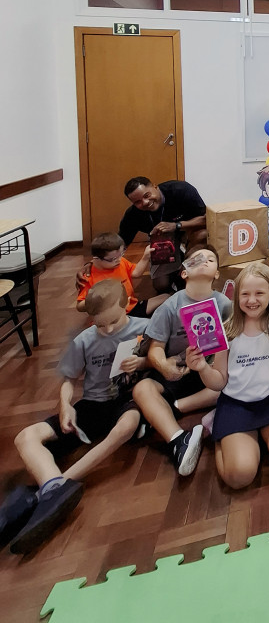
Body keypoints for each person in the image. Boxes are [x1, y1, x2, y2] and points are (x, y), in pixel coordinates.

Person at [0, 281, 149, 554]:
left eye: (113, 322)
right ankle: (53, 489)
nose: (108, 330)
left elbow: (160, 357)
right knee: (25, 437)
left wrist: (141, 362)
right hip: (92, 405)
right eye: (100, 324)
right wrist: (65, 405)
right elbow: (69, 379)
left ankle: (47, 492)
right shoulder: (84, 340)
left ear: (127, 303)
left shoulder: (145, 328)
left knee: (127, 425)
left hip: (126, 401)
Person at [185, 263, 269, 488]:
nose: (252, 300)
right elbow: (219, 382)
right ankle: (218, 430)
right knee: (239, 477)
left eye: (259, 293)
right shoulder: (226, 331)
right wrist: (202, 368)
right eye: (245, 294)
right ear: (236, 296)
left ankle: (258, 439)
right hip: (236, 404)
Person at [132, 246, 232, 476]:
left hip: (210, 372)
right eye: (196, 259)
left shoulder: (224, 304)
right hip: (178, 369)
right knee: (142, 389)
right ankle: (178, 439)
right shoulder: (170, 306)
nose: (204, 261)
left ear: (217, 273)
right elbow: (155, 349)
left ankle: (171, 409)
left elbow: (232, 342)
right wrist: (164, 366)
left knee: (229, 384)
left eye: (210, 259)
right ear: (184, 272)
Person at [119, 176, 207, 294]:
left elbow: (205, 219)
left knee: (202, 235)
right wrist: (100, 261)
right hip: (163, 240)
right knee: (161, 285)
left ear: (155, 187)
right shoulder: (133, 215)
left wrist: (176, 225)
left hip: (188, 229)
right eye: (137, 202)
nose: (145, 202)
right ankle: (177, 265)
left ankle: (188, 267)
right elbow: (120, 243)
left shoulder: (181, 190)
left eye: (147, 195)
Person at [76, 231, 166, 316]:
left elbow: (136, 273)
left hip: (131, 307)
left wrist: (145, 257)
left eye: (121, 255)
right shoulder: (88, 276)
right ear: (96, 258)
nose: (118, 260)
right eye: (112, 259)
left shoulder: (121, 262)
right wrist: (98, 299)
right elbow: (79, 306)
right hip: (109, 316)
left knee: (166, 297)